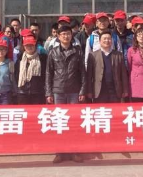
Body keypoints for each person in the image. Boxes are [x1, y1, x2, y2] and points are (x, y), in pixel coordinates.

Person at [45, 25, 87, 164]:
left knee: (74, 122)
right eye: (63, 34)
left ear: (71, 35)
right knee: (59, 122)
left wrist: (82, 90)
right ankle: (60, 152)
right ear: (58, 36)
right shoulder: (53, 52)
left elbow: (83, 73)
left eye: (68, 34)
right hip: (58, 91)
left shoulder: (78, 51)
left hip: (74, 90)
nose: (66, 36)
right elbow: (48, 73)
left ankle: (75, 151)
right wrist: (48, 92)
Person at [86, 29, 129, 103]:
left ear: (111, 41)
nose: (107, 41)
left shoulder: (118, 55)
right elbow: (89, 75)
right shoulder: (93, 55)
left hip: (115, 89)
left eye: (109, 39)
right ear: (100, 41)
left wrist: (125, 90)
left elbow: (123, 74)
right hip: (99, 90)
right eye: (104, 39)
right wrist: (89, 91)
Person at [15, 35, 47, 105]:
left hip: (38, 93)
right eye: (27, 45)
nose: (29, 47)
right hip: (22, 93)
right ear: (24, 46)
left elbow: (45, 75)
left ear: (35, 46)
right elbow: (16, 75)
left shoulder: (42, 59)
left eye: (31, 45)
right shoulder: (20, 59)